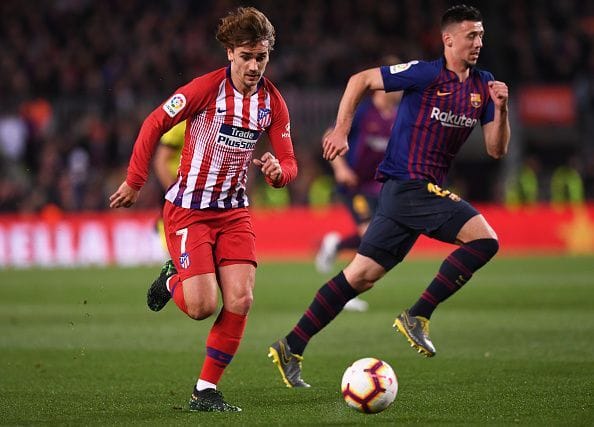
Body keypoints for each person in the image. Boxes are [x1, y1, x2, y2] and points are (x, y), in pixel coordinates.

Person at [268, 4, 509, 388]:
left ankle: (291, 345)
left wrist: (501, 108)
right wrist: (341, 130)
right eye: (471, 35)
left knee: (359, 276)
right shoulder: (426, 73)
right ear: (448, 40)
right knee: (485, 241)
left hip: (408, 194)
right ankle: (418, 314)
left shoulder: (484, 85)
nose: (478, 42)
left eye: (481, 35)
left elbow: (496, 149)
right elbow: (360, 80)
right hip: (410, 185)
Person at [110, 7, 297, 411]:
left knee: (241, 299)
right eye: (246, 56)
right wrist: (135, 181)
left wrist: (279, 173)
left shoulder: (273, 103)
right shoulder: (205, 89)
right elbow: (154, 122)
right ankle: (172, 279)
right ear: (230, 52)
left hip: (233, 212)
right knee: (201, 307)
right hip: (189, 210)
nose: (254, 66)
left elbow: (289, 162)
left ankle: (205, 390)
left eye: (261, 57)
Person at [315, 72, 402, 312]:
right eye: (397, 85)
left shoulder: (397, 116)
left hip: (379, 186)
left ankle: (336, 245)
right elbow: (329, 135)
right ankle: (346, 291)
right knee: (369, 233)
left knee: (378, 234)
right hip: (354, 185)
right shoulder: (363, 112)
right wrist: (340, 168)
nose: (401, 89)